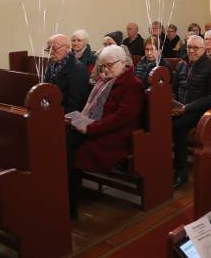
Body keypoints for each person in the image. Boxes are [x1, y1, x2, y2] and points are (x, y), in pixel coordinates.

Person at [66, 45, 144, 219]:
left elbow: (120, 119)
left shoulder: (133, 85)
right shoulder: (104, 80)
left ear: (123, 63)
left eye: (109, 65)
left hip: (116, 136)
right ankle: (64, 197)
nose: (105, 70)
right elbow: (90, 106)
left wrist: (90, 128)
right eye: (102, 66)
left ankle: (69, 208)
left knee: (73, 151)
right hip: (100, 128)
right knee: (64, 140)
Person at [171, 36, 211, 188]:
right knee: (155, 119)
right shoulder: (181, 64)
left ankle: (181, 171)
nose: (191, 50)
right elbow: (173, 89)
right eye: (189, 47)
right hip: (179, 107)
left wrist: (187, 108)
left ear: (204, 49)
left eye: (195, 48)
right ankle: (162, 166)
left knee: (178, 127)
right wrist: (171, 104)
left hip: (199, 110)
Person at [44, 34, 90, 114]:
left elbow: (75, 104)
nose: (51, 52)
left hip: (64, 117)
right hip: (50, 111)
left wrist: (54, 114)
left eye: (54, 48)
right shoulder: (52, 66)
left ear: (68, 48)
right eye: (48, 49)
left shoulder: (78, 69)